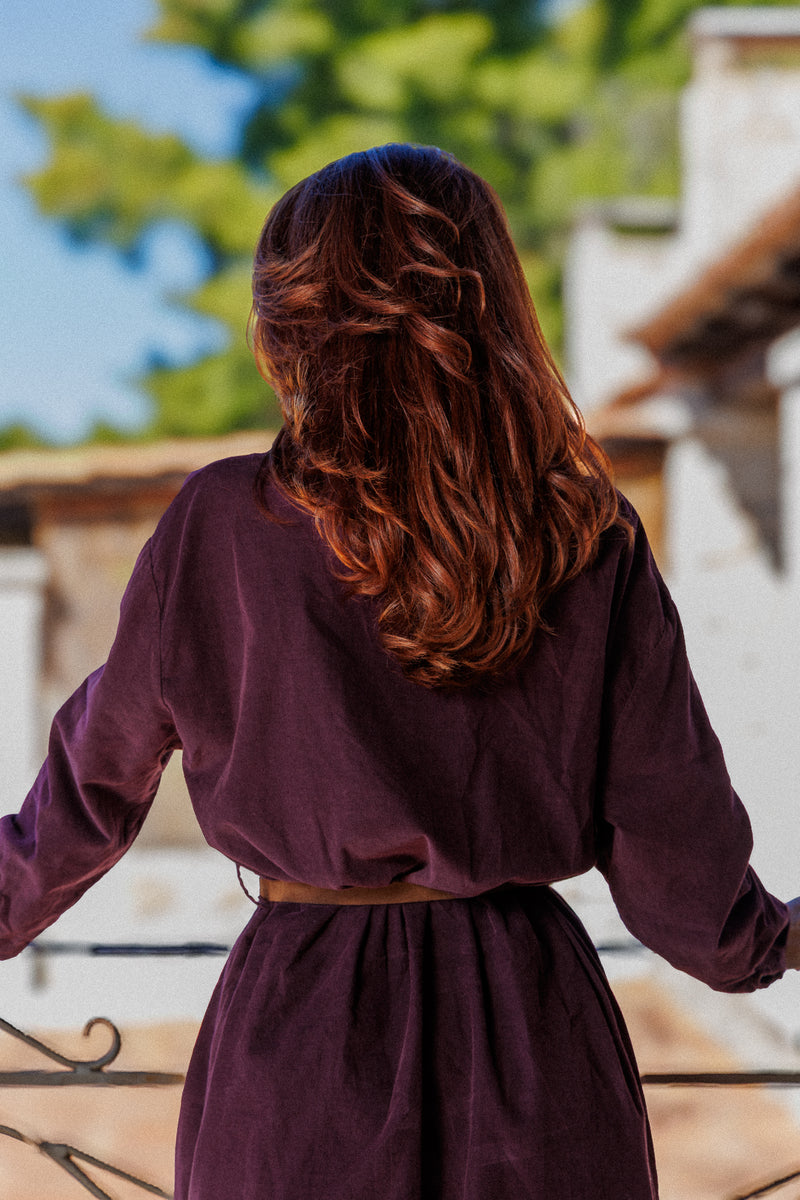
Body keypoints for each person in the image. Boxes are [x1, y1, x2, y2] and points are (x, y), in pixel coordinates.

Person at [1, 143, 799, 1200]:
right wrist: (764, 944)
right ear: (490, 309)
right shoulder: (584, 532)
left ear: (287, 325)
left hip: (298, 1048)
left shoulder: (221, 527)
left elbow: (88, 792)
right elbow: (673, 846)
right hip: (533, 1039)